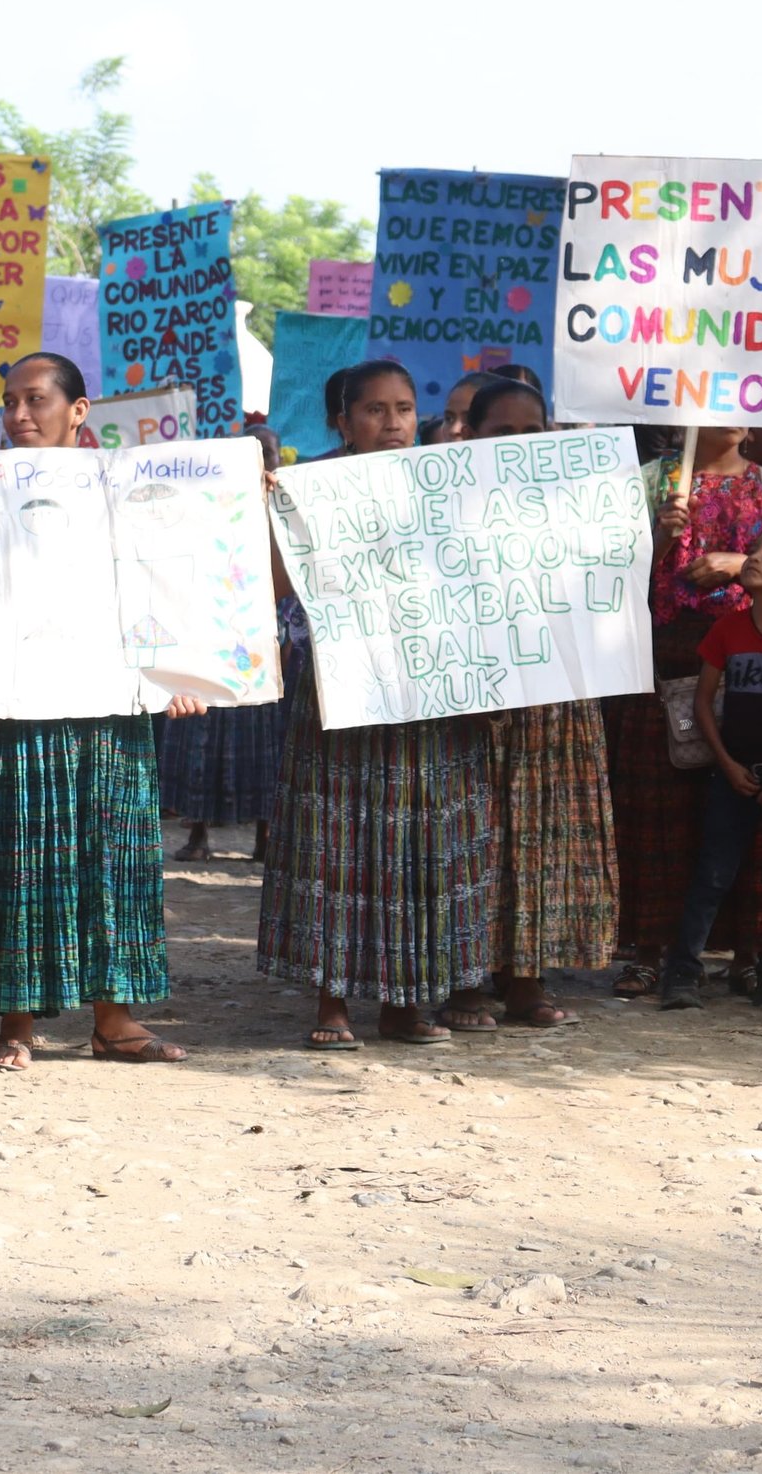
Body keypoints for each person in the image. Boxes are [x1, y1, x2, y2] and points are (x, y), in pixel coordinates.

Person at [0, 352, 202, 1072]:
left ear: (80, 411)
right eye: (9, 402)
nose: (19, 415)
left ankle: (114, 1022)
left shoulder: (129, 492)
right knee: (20, 856)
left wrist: (179, 670)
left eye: (37, 400)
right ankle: (15, 1024)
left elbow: (163, 583)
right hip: (13, 710)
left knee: (112, 859)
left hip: (111, 716)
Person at [259, 359, 496, 1047]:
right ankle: (331, 1003)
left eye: (401, 408)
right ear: (343, 420)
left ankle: (405, 1002)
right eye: (373, 410)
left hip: (430, 692)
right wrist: (272, 509)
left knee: (418, 841)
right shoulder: (311, 490)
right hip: (340, 686)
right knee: (338, 838)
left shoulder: (448, 487)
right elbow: (277, 587)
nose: (390, 422)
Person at [605, 424, 762, 996]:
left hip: (756, 661)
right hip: (667, 650)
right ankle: (650, 950)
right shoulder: (653, 481)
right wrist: (660, 538)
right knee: (657, 804)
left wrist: (737, 561)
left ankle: (748, 951)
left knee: (745, 802)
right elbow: (608, 576)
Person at [464, 376, 615, 1026]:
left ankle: (527, 976)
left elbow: (610, 592)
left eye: (533, 433)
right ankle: (466, 978)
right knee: (476, 836)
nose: (521, 446)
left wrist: (655, 537)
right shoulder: (443, 503)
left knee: (539, 836)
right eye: (504, 434)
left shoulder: (581, 504)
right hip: (470, 701)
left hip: (553, 701)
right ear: (471, 438)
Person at [661, 526, 762, 1013]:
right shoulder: (727, 630)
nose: (754, 556)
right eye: (754, 549)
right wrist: (727, 764)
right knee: (712, 873)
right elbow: (702, 701)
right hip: (732, 774)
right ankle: (683, 973)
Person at [165, 419, 290, 863]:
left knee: (263, 748)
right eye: (251, 457)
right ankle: (197, 833)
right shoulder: (208, 507)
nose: (260, 465)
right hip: (211, 639)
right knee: (199, 740)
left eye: (267, 455)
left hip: (265, 648)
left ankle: (264, 836)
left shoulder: (289, 513)